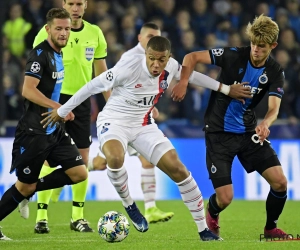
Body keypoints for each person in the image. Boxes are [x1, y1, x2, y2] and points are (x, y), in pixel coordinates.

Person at [40, 36, 251, 241]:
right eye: (152, 58)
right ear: (146, 54)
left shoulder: (172, 67)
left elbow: (192, 75)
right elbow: (91, 86)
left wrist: (225, 89)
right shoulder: (128, 67)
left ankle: (203, 230)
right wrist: (61, 110)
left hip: (143, 125)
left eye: (161, 59)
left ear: (168, 58)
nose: (156, 64)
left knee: (179, 169)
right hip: (114, 121)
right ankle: (130, 205)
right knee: (114, 158)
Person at [171, 14, 289, 239]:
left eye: (261, 46)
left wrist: (266, 123)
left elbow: (274, 108)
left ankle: (271, 229)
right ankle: (212, 212)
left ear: (273, 46)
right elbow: (191, 56)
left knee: (280, 182)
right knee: (225, 198)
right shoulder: (234, 55)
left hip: (248, 133)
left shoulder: (275, 71)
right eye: (254, 43)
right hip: (219, 133)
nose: (255, 49)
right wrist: (184, 81)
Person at [19, 0, 109, 234]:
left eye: (79, 3)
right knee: (48, 159)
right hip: (54, 101)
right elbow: (34, 67)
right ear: (64, 4)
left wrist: (111, 104)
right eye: (71, 3)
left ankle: (77, 217)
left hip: (82, 101)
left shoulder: (95, 33)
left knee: (83, 158)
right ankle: (42, 217)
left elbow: (103, 73)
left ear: (86, 5)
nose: (75, 7)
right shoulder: (47, 32)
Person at [0, 8, 88, 241]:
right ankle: (23, 194)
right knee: (23, 186)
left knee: (80, 173)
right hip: (34, 132)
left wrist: (58, 111)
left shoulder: (59, 53)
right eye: (58, 28)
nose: (63, 33)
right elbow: (27, 90)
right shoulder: (40, 54)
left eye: (67, 29)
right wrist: (58, 108)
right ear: (48, 29)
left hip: (54, 130)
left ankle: (28, 191)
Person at [91, 22, 175, 223]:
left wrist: (145, 105)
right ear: (140, 38)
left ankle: (151, 208)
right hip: (120, 120)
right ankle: (75, 166)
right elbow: (109, 84)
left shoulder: (155, 60)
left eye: (157, 36)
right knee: (104, 163)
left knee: (147, 161)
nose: (153, 40)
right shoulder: (130, 58)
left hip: (138, 121)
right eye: (149, 36)